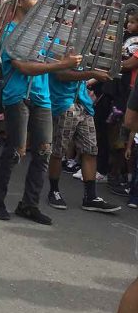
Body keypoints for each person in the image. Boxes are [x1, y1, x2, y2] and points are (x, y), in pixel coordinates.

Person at [0, 0, 82, 225]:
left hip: (42, 97)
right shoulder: (9, 31)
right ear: (20, 1)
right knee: (15, 151)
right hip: (17, 96)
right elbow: (23, 66)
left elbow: (50, 60)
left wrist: (71, 61)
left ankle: (29, 205)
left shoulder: (43, 33)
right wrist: (61, 65)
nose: (38, 2)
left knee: (43, 152)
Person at [47, 67, 120, 213]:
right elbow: (61, 74)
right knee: (58, 151)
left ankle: (90, 197)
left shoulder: (82, 49)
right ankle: (53, 191)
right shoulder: (58, 48)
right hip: (64, 103)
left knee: (91, 150)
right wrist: (92, 74)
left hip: (84, 105)